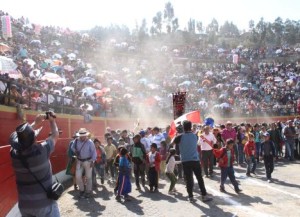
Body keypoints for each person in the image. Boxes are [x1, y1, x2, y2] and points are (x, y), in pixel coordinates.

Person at [9, 111, 60, 216]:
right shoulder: (42, 150)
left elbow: (15, 138)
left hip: (24, 205)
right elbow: (55, 134)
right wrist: (52, 121)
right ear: (34, 139)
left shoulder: (14, 154)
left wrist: (34, 124)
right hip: (44, 204)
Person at [172, 120, 213, 203]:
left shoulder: (179, 137)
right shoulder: (195, 136)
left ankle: (190, 197)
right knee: (199, 178)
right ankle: (204, 195)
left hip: (185, 161)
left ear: (183, 127)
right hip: (195, 160)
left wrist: (176, 134)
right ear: (190, 127)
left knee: (189, 179)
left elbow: (172, 143)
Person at [71, 128, 97, 198]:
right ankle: (81, 190)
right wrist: (75, 151)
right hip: (79, 161)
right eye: (81, 136)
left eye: (84, 136)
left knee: (88, 177)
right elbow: (72, 147)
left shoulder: (90, 142)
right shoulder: (76, 141)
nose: (82, 137)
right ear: (79, 135)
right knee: (78, 176)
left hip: (88, 161)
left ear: (86, 135)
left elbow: (94, 152)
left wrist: (92, 161)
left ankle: (88, 191)